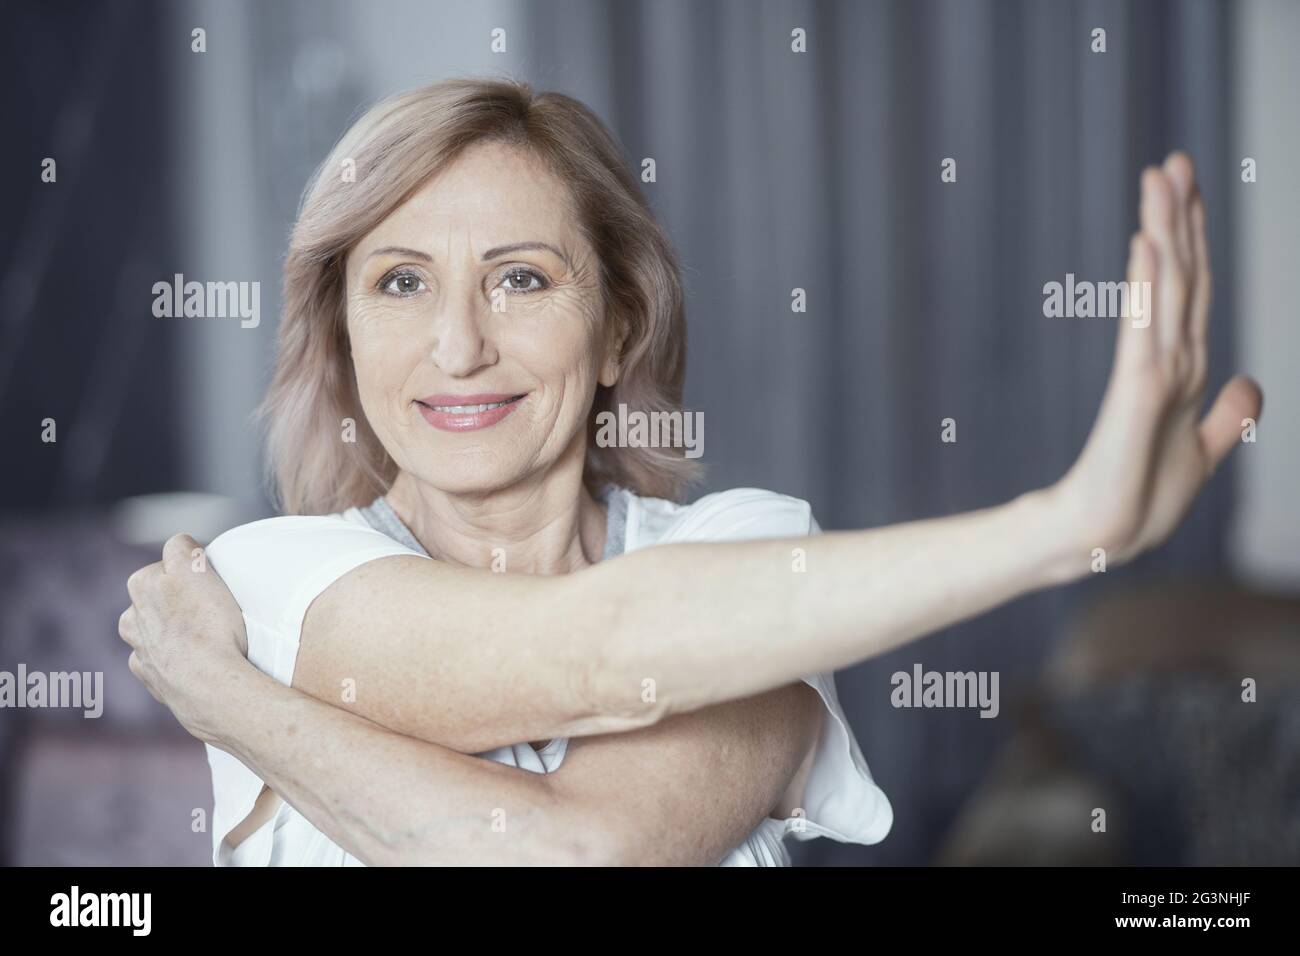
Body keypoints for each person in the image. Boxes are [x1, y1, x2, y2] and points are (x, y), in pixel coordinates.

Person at [119, 78, 1261, 866]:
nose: (457, 345)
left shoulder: (744, 551)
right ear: (343, 336)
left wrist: (237, 707)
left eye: (519, 278)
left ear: (617, 331)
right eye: (400, 282)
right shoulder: (266, 578)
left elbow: (587, 844)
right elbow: (592, 678)